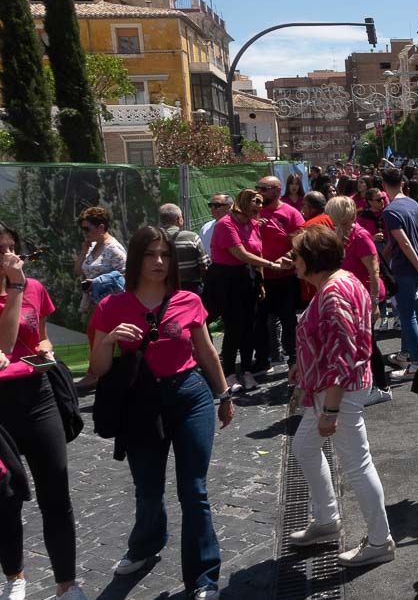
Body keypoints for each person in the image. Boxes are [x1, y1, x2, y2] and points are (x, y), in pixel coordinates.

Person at [89, 227, 235, 600]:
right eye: (152, 255)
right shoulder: (111, 306)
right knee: (148, 489)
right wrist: (107, 340)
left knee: (194, 490)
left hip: (190, 396)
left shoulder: (188, 299)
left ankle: (203, 577)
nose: (159, 262)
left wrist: (223, 394)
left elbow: (206, 353)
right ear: (136, 259)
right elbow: (98, 370)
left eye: (165, 255)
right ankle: (145, 545)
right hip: (140, 402)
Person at [285, 227, 395, 568]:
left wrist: (330, 409)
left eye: (297, 255)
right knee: (305, 447)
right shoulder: (342, 281)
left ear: (312, 259)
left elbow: (342, 357)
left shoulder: (333, 292)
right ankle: (327, 520)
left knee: (356, 464)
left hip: (339, 392)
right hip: (333, 388)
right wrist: (303, 370)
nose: (293, 261)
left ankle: (379, 540)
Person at [0, 228, 87, 600]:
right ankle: (15, 576)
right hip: (0, 405)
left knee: (56, 490)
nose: (8, 256)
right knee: (4, 496)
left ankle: (66, 583)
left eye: (11, 249)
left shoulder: (33, 287)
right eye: (0, 251)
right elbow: (3, 343)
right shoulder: (21, 287)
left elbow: (41, 335)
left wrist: (46, 351)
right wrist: (15, 289)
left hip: (38, 395)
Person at [206, 189, 287, 392]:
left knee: (249, 327)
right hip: (226, 279)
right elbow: (240, 254)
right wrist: (272, 265)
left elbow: (256, 252)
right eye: (255, 202)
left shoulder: (253, 224)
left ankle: (248, 371)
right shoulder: (225, 224)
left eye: (261, 202)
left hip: (247, 277)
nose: (260, 206)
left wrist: (260, 281)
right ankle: (230, 374)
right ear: (243, 202)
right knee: (233, 327)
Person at [326, 197, 390, 405]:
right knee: (359, 342)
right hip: (350, 295)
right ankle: (369, 384)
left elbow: (374, 269)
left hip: (365, 296)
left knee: (368, 343)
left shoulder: (360, 235)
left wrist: (373, 303)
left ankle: (382, 386)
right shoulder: (338, 235)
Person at [380, 168, 418, 375]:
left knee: (407, 314)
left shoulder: (390, 211)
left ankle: (416, 362)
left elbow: (403, 241)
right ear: (402, 183)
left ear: (384, 186)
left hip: (405, 268)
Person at [253, 175, 305, 373]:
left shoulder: (290, 213)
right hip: (261, 277)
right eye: (258, 187)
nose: (259, 191)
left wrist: (285, 258)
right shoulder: (253, 212)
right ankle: (263, 359)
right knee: (259, 322)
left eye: (264, 188)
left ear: (276, 190)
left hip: (285, 278)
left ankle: (294, 359)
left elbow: (301, 238)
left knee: (288, 321)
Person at [74, 206, 127, 317]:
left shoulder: (114, 249)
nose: (85, 233)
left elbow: (125, 278)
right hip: (92, 305)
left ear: (101, 228)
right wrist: (84, 251)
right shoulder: (92, 245)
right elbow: (78, 272)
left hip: (108, 307)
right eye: (83, 229)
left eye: (87, 229)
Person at [159, 204, 209, 295]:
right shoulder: (191, 237)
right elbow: (204, 265)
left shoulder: (154, 238)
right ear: (178, 219)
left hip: (163, 288)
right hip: (190, 288)